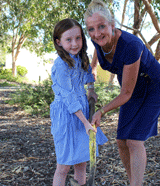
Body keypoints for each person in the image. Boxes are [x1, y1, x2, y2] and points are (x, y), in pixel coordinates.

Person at [84, 0, 160, 185]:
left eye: (101, 27)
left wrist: (101, 111)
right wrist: (92, 73)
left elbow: (126, 94)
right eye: (91, 29)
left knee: (133, 141)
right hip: (131, 87)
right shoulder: (97, 39)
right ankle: (133, 182)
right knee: (121, 141)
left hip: (152, 86)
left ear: (112, 25)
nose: (96, 33)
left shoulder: (130, 45)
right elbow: (97, 51)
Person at [50, 18, 108, 186]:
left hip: (82, 110)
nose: (75, 44)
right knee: (64, 165)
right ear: (59, 42)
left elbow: (89, 73)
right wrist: (85, 122)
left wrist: (90, 89)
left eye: (78, 38)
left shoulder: (81, 58)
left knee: (82, 162)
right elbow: (68, 97)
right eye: (68, 39)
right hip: (67, 115)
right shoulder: (61, 65)